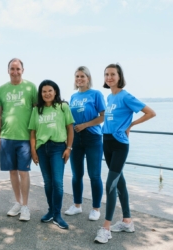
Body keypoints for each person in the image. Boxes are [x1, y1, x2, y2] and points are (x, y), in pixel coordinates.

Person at [94, 64, 156, 244]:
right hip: (107, 142)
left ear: (119, 76)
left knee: (110, 184)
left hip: (120, 144)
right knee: (119, 182)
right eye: (106, 74)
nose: (109, 77)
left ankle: (106, 228)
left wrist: (131, 125)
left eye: (113, 74)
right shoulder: (109, 96)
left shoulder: (125, 96)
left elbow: (150, 113)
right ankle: (127, 221)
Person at [0, 58, 38, 221]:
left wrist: (36, 137)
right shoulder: (2, 89)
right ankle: (18, 203)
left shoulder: (30, 87)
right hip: (6, 137)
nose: (15, 72)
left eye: (18, 69)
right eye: (12, 69)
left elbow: (37, 111)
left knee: (23, 171)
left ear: (23, 70)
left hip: (25, 138)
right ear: (8, 71)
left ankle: (26, 206)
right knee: (12, 172)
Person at [29, 80, 74, 229]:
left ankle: (57, 214)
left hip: (58, 148)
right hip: (42, 149)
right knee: (48, 182)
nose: (47, 94)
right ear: (40, 94)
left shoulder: (63, 107)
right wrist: (33, 151)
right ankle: (50, 211)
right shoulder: (37, 110)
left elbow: (70, 128)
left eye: (50, 90)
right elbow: (33, 132)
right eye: (44, 91)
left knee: (58, 183)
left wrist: (69, 148)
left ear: (55, 92)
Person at [65, 66, 106, 221]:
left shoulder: (96, 94)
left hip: (92, 138)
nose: (79, 79)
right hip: (75, 138)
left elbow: (103, 116)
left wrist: (86, 125)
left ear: (88, 78)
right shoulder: (73, 97)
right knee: (77, 175)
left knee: (94, 175)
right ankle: (77, 205)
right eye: (77, 76)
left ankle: (96, 208)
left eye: (82, 76)